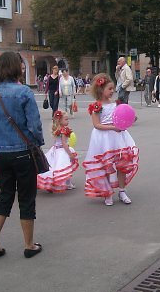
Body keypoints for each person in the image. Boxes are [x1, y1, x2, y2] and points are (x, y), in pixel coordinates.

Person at [0, 51, 44, 258]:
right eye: (21, 64)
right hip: (22, 154)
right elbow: (34, 126)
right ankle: (29, 245)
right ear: (16, 67)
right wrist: (38, 143)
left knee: (5, 195)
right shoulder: (24, 92)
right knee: (26, 198)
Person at [83, 73, 139, 206]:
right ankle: (107, 193)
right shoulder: (96, 106)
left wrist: (130, 119)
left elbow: (123, 115)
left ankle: (122, 191)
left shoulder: (116, 103)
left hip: (118, 137)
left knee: (122, 164)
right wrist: (113, 127)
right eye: (109, 89)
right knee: (106, 165)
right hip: (104, 138)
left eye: (113, 88)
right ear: (101, 90)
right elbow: (96, 125)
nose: (112, 91)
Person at [37, 110, 79, 192]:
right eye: (66, 119)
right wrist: (70, 154)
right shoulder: (64, 130)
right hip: (62, 151)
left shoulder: (57, 128)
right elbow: (64, 143)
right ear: (60, 120)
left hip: (55, 150)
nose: (68, 121)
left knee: (55, 166)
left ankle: (62, 182)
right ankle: (68, 183)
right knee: (66, 166)